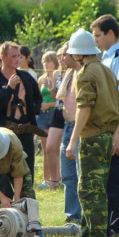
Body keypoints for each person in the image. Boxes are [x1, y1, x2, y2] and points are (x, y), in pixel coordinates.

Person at [65, 28, 119, 237]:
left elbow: (84, 108)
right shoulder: (106, 70)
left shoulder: (85, 73)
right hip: (106, 135)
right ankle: (88, 236)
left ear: (78, 54)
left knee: (89, 189)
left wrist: (72, 141)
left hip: (92, 137)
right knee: (95, 187)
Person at [91, 14, 119, 237]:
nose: (95, 40)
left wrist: (118, 132)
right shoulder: (107, 57)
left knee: (116, 174)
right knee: (108, 175)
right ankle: (112, 224)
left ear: (110, 33)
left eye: (98, 35)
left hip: (115, 121)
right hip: (108, 120)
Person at [0, 41, 43, 194]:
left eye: (19, 56)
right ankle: (5, 208)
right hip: (3, 133)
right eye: (13, 56)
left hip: (25, 132)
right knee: (3, 174)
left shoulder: (27, 78)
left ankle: (27, 208)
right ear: (3, 57)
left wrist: (32, 109)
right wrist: (8, 89)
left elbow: (37, 98)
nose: (17, 59)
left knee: (26, 174)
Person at [0, 128, 36, 211]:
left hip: (13, 166)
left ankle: (31, 221)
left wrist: (17, 199)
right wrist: (2, 198)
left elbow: (18, 174)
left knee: (27, 194)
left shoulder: (14, 144)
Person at [57, 42, 82, 224]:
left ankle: (84, 215)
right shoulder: (69, 74)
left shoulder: (85, 74)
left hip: (79, 129)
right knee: (68, 176)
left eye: (65, 54)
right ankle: (72, 216)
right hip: (67, 127)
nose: (62, 57)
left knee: (82, 175)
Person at [44, 46, 67, 190]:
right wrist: (52, 88)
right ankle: (54, 181)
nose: (61, 59)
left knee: (66, 149)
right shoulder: (58, 74)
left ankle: (67, 180)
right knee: (50, 147)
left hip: (71, 112)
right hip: (58, 112)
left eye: (63, 56)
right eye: (59, 56)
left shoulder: (76, 72)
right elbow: (56, 97)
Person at [36, 51, 59, 189]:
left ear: (54, 62)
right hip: (43, 115)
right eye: (44, 62)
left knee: (54, 149)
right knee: (45, 149)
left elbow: (58, 98)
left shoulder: (57, 75)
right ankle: (46, 180)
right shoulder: (41, 79)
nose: (45, 64)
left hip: (54, 113)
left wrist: (49, 103)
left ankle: (57, 178)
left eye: (48, 61)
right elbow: (39, 97)